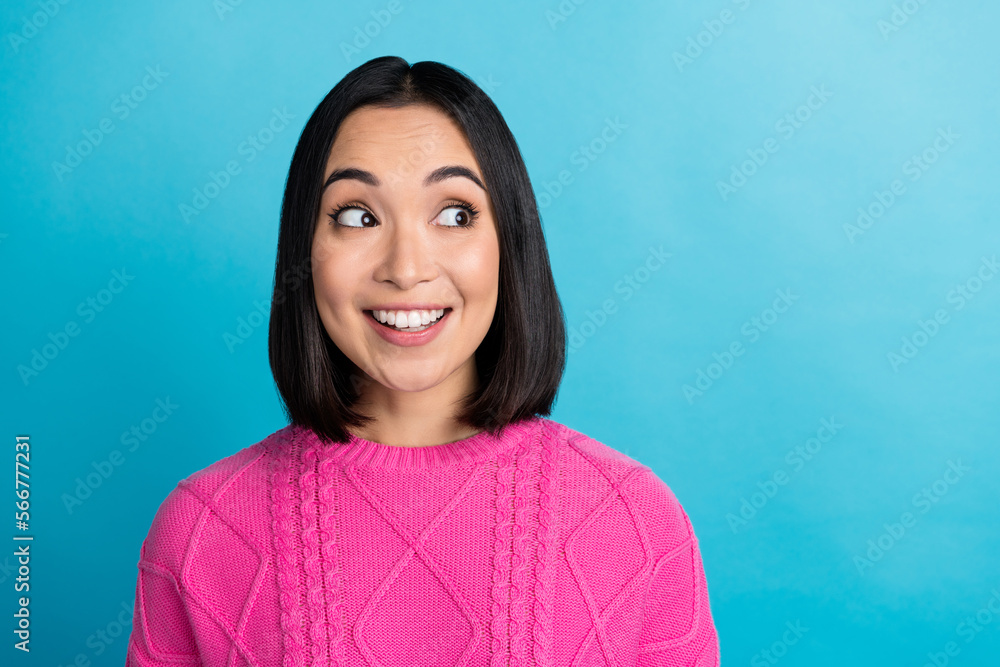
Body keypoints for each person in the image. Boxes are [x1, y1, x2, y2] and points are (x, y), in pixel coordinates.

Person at [125, 55, 720, 667]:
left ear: (508, 245)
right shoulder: (200, 530)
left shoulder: (636, 522)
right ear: (305, 249)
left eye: (455, 214)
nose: (406, 268)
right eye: (357, 216)